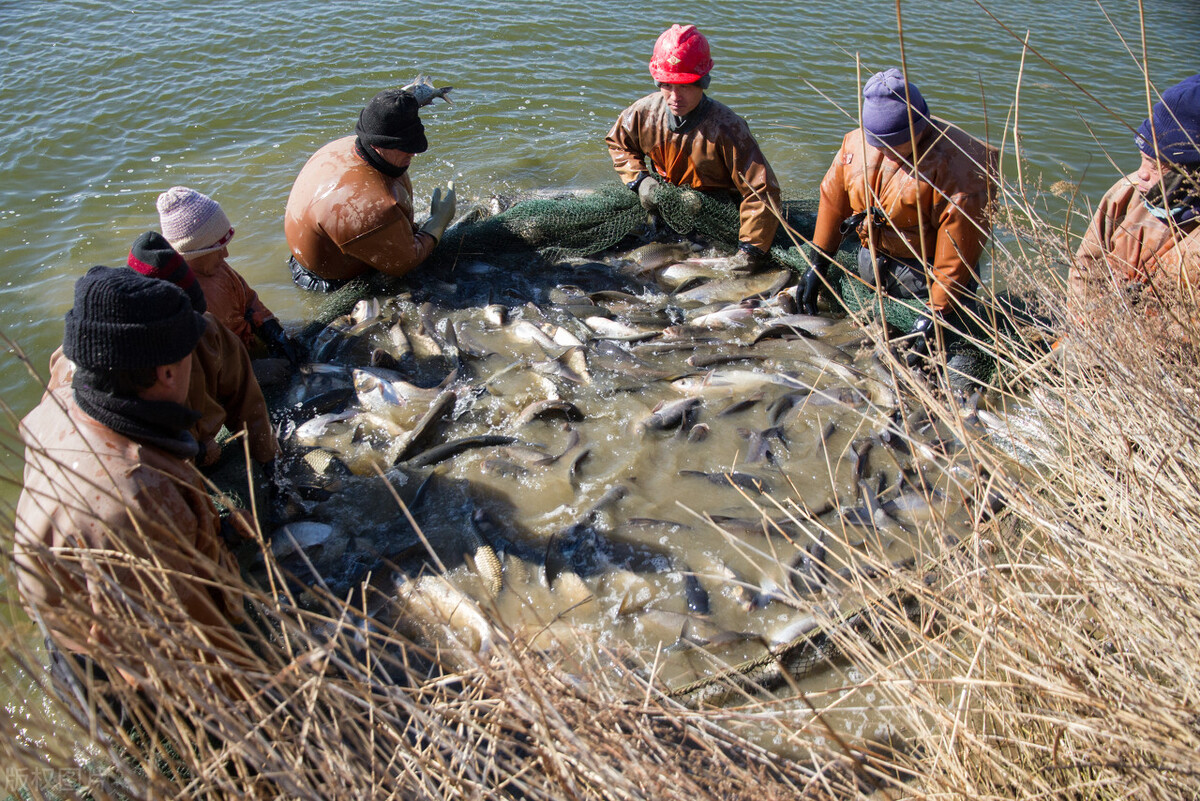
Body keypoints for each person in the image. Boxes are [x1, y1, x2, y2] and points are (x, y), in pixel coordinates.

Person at [13, 266, 255, 702]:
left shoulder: (62, 398)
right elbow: (200, 652)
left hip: (68, 612)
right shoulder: (141, 494)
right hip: (115, 671)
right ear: (167, 373)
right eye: (187, 354)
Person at [801, 68, 996, 363]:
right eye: (877, 143)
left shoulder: (961, 169)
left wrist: (937, 311)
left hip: (925, 276)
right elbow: (832, 200)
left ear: (918, 129)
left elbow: (958, 255)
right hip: (876, 261)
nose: (885, 151)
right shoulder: (855, 144)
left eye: (894, 143)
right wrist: (817, 262)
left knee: (943, 357)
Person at [44, 232, 278, 469]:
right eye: (181, 324)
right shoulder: (79, 361)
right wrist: (192, 452)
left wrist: (269, 462)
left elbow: (248, 405)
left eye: (192, 318)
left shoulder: (210, 331)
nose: (194, 329)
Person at [606, 24, 781, 267]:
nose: (675, 97)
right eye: (667, 86)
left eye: (685, 86)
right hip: (666, 201)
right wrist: (640, 180)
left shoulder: (728, 128)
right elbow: (618, 143)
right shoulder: (644, 112)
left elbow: (761, 191)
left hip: (716, 213)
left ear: (703, 82)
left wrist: (748, 252)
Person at [284, 87, 457, 291]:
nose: (413, 153)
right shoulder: (368, 207)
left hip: (330, 246)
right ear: (377, 145)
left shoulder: (347, 146)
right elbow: (406, 263)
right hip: (332, 280)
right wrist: (437, 222)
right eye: (404, 147)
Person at [1069, 74, 1200, 315]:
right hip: (1100, 324)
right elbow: (1085, 267)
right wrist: (1081, 322)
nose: (1141, 174)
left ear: (1191, 171)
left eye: (1155, 165)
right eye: (1142, 159)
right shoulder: (1128, 192)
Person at [157, 185, 300, 364]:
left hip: (248, 344)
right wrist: (258, 370)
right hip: (230, 367)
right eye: (217, 249)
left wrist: (274, 332)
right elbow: (203, 366)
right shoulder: (181, 301)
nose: (225, 254)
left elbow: (249, 300)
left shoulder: (218, 267)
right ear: (192, 254)